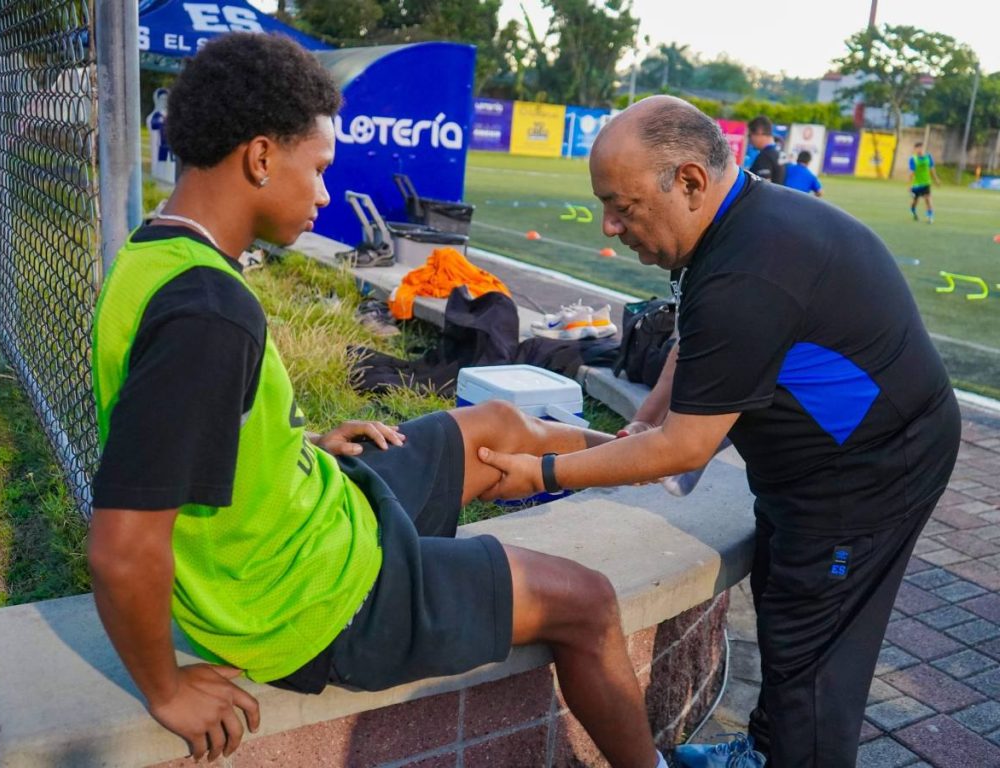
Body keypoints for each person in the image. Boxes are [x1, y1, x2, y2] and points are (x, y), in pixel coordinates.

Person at [88, 33, 661, 768]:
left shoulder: (156, 254)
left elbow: (191, 426)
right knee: (587, 601)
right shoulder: (205, 311)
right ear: (261, 158)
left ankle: (640, 459)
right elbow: (122, 547)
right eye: (319, 169)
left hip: (313, 519)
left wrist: (295, 445)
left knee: (493, 427)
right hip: (312, 606)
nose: (326, 193)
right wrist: (165, 689)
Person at [478, 95, 961, 768]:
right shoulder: (741, 225)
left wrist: (543, 474)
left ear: (690, 182)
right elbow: (700, 333)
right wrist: (649, 414)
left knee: (815, 661)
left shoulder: (749, 268)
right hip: (836, 457)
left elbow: (684, 449)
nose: (610, 226)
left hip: (868, 472)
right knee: (789, 607)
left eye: (623, 206)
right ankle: (765, 750)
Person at [746, 115, 786, 185]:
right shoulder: (779, 153)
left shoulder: (765, 156)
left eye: (749, 135)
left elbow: (762, 188)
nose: (749, 140)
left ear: (759, 132)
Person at [908, 141, 941, 223]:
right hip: (916, 184)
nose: (920, 150)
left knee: (928, 200)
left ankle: (930, 217)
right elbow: (911, 173)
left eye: (921, 148)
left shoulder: (928, 157)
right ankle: (913, 211)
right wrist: (909, 185)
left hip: (926, 183)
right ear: (915, 149)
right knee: (915, 201)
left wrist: (936, 179)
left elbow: (932, 169)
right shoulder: (913, 159)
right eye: (918, 148)